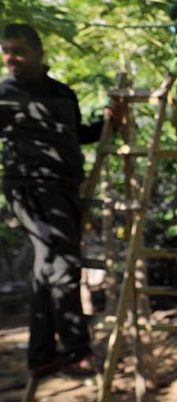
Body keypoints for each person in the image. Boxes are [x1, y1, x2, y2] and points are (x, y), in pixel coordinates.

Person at [0, 24, 121, 377]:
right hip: (29, 189)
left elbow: (77, 135)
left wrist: (107, 124)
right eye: (6, 51)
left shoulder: (64, 94)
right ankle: (75, 350)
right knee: (63, 265)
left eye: (18, 51)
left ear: (39, 52)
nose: (11, 59)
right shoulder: (5, 95)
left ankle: (41, 355)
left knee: (46, 267)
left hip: (65, 189)